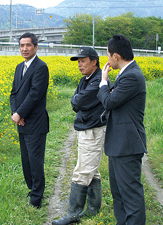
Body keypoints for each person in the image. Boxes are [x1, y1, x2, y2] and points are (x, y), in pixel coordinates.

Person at [52, 47, 107, 225]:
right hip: (86, 128)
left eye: (83, 61)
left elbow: (79, 100)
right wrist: (78, 100)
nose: (79, 65)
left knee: (82, 171)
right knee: (92, 169)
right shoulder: (86, 80)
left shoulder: (98, 80)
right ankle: (93, 209)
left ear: (94, 62)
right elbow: (76, 102)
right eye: (78, 61)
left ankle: (72, 215)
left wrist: (78, 100)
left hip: (93, 130)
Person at [97, 34, 147, 225]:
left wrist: (103, 81)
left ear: (116, 56)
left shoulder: (132, 76)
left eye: (108, 55)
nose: (108, 60)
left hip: (127, 145)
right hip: (119, 143)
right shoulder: (126, 74)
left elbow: (109, 101)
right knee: (118, 192)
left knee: (131, 195)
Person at [10, 32, 49, 209]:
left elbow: (35, 95)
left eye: (28, 45)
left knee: (35, 161)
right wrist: (16, 114)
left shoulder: (41, 67)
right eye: (21, 45)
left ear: (35, 47)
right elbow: (14, 93)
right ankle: (31, 188)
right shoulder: (19, 67)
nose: (24, 48)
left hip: (35, 122)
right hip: (22, 121)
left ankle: (37, 198)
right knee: (25, 160)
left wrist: (20, 114)